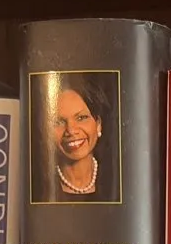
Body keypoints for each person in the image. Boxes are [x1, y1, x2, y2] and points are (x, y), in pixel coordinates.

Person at [46, 74, 119, 202]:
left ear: (98, 124)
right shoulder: (41, 187)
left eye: (81, 118)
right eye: (59, 122)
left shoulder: (117, 183)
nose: (71, 130)